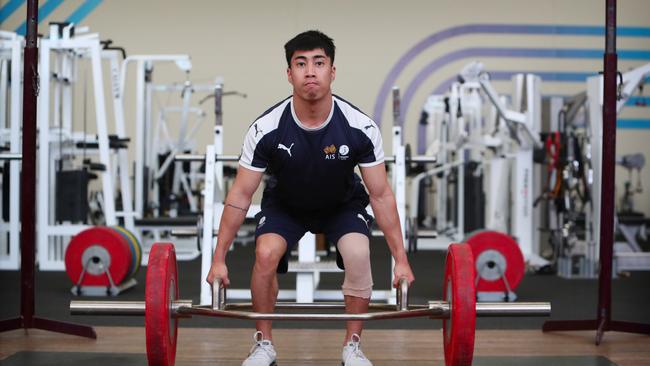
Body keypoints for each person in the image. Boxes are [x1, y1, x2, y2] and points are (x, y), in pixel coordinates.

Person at [206, 30, 415, 366]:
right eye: (300, 64)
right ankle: (263, 344)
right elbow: (240, 195)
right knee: (265, 253)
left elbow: (381, 194)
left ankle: (353, 346)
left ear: (333, 71)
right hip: (286, 205)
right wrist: (219, 258)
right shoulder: (266, 128)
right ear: (289, 73)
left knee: (359, 254)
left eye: (319, 62)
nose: (310, 71)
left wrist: (401, 259)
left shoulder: (360, 127)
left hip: (341, 205)